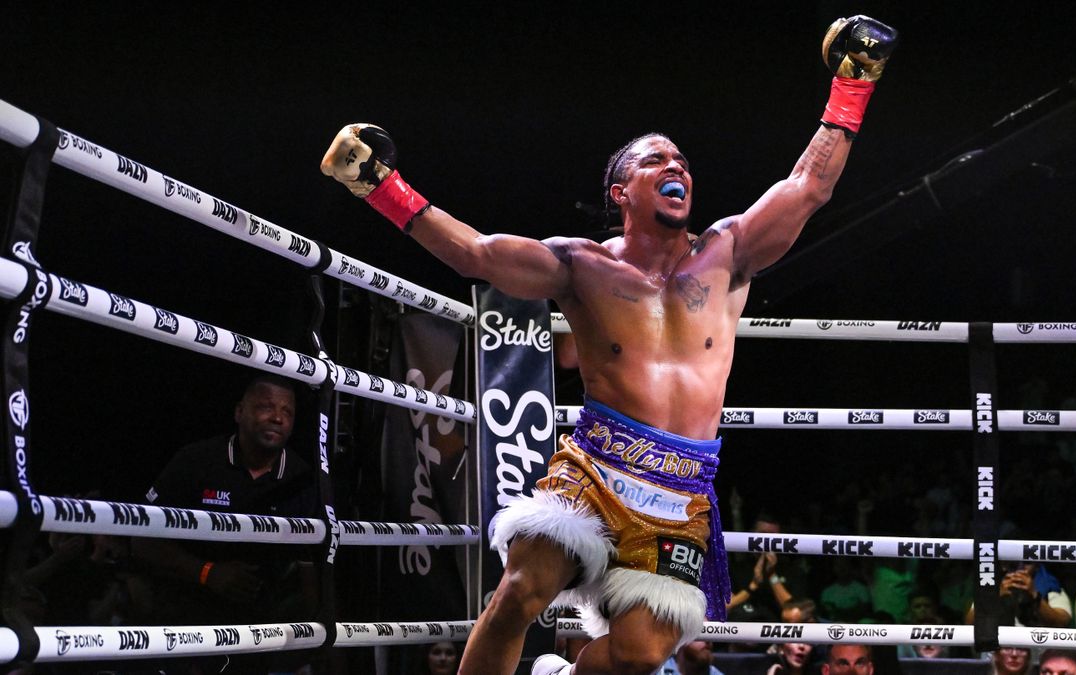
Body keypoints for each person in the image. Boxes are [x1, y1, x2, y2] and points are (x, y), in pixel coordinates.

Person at [321, 15, 896, 675]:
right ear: (621, 191)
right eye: (656, 159)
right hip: (594, 470)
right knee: (518, 592)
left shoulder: (728, 252)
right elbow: (477, 255)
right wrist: (380, 186)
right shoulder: (581, 267)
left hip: (680, 494)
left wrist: (853, 86)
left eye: (680, 160)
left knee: (641, 653)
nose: (676, 165)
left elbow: (809, 186)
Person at [131, 373, 320, 673]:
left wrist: (318, 641)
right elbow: (141, 539)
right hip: (185, 627)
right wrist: (207, 572)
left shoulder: (303, 479)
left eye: (287, 412)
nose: (277, 418)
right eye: (266, 407)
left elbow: (310, 565)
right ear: (239, 411)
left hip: (256, 634)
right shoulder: (196, 460)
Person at [659, 640, 726, 675]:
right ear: (682, 638)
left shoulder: (715, 673)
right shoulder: (656, 671)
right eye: (701, 632)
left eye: (711, 632)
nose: (708, 641)